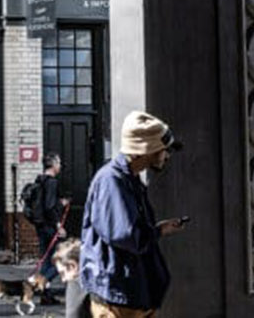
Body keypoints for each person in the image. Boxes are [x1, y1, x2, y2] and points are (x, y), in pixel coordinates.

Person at [79, 111, 186, 318]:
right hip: (118, 297)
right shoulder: (111, 181)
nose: (167, 156)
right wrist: (156, 232)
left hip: (131, 294)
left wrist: (159, 230)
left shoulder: (128, 179)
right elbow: (125, 235)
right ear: (147, 150)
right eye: (164, 150)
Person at [29, 153, 67, 302]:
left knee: (46, 260)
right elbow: (50, 206)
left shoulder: (39, 180)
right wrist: (59, 225)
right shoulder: (51, 182)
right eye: (59, 163)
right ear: (53, 165)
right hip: (50, 226)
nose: (60, 166)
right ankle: (41, 282)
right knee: (60, 260)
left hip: (40, 226)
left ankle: (46, 295)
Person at [54, 238, 91, 318]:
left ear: (72, 266)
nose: (63, 280)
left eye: (62, 273)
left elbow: (73, 315)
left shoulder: (76, 284)